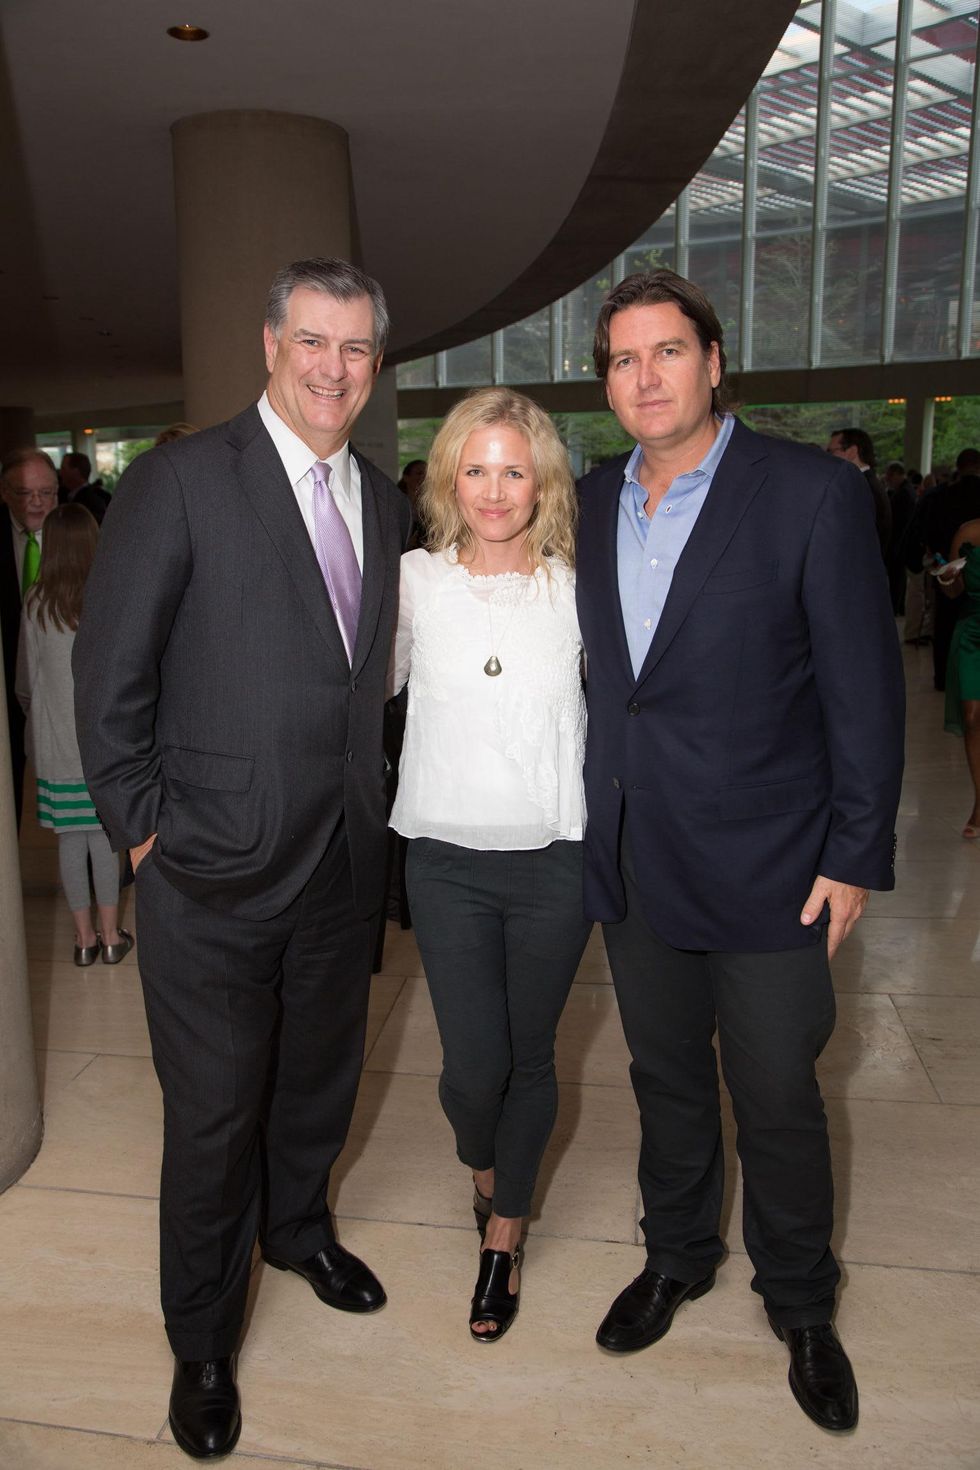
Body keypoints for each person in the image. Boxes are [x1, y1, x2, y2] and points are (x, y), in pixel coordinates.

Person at [73, 257, 411, 1460]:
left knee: (317, 1081)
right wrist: (144, 830)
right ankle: (203, 1339)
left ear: (375, 364)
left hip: (341, 863)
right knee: (214, 1117)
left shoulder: (385, 501)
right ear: (271, 346)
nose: (332, 367)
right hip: (206, 870)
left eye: (354, 347)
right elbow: (108, 677)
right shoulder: (179, 481)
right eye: (312, 340)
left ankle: (299, 1228)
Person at [576, 270, 905, 1432]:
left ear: (713, 363)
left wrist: (854, 852)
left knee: (773, 1089)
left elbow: (863, 689)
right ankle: (676, 1254)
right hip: (634, 852)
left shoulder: (810, 493)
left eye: (667, 351)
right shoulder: (589, 498)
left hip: (772, 861)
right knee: (662, 1077)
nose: (645, 377)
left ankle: (800, 1298)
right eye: (623, 359)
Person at [388, 387, 589, 1342]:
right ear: (449, 479)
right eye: (477, 469)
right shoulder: (413, 583)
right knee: (473, 1070)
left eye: (514, 470)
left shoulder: (578, 590)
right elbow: (348, 686)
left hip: (555, 861)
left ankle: (504, 1232)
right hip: (445, 859)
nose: (496, 490)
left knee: (531, 1054)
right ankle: (485, 1167)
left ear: (542, 480)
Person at [15, 503, 131, 964]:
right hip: (102, 747)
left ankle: (83, 940)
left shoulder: (35, 604)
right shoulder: (106, 601)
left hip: (56, 748)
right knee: (104, 840)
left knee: (70, 842)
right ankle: (111, 937)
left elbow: (26, 685)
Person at [1, 449, 60, 828]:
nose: (37, 502)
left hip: (63, 689)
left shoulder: (77, 534)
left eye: (47, 492)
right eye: (25, 493)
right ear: (5, 493)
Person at [937, 518, 980, 838]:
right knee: (972, 715)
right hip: (973, 634)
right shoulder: (967, 532)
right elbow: (953, 591)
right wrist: (947, 578)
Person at [827, 426, 891, 558]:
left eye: (831, 451)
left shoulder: (861, 487)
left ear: (852, 451)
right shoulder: (867, 483)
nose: (827, 457)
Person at [58, 451, 110, 524]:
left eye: (63, 469)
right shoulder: (62, 495)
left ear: (75, 472)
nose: (60, 473)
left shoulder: (94, 501)